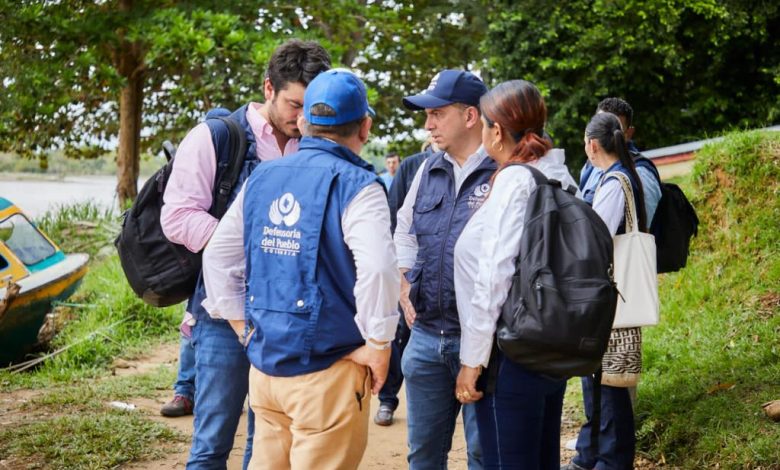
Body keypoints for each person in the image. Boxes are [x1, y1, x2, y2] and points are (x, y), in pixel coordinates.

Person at [200, 68, 400, 470]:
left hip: (266, 371)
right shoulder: (359, 185)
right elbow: (378, 270)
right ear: (365, 126)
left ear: (305, 122)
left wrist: (243, 327)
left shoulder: (261, 178)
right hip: (329, 372)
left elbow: (217, 256)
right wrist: (380, 346)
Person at [159, 39, 331, 469]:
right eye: (295, 104)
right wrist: (247, 244)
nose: (303, 117)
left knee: (270, 442)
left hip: (285, 319)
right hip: (220, 314)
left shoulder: (310, 144)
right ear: (268, 88)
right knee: (212, 440)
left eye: (312, 107)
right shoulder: (216, 138)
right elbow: (177, 217)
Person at [453, 79, 579, 469]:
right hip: (551, 343)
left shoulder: (514, 180)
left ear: (495, 131)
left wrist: (472, 359)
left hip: (510, 352)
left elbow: (495, 273)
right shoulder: (557, 173)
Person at [395, 69, 493, 469]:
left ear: (470, 116)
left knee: (485, 454)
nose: (428, 124)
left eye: (437, 113)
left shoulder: (505, 171)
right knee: (423, 456)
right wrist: (404, 282)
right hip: (425, 340)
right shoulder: (428, 169)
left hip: (485, 345)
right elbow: (403, 231)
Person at [563, 111, 648, 470]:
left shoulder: (614, 183)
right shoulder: (618, 177)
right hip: (614, 296)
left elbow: (595, 238)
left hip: (614, 300)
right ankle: (599, 456)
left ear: (592, 144)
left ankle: (613, 461)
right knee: (602, 381)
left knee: (612, 384)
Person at [374, 139, 436, 427]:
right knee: (399, 333)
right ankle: (387, 400)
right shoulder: (412, 166)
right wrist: (400, 275)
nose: (432, 128)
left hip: (443, 274)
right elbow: (393, 219)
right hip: (407, 271)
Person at [580, 97, 661, 222]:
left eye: (613, 129)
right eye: (600, 126)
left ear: (628, 133)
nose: (604, 135)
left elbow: (646, 227)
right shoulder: (590, 166)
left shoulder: (641, 173)